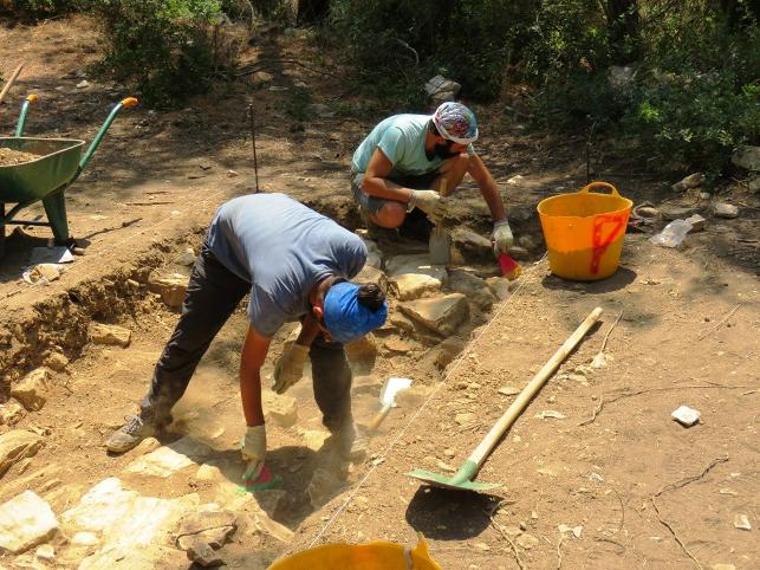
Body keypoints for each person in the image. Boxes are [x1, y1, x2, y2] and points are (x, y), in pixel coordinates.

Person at [106, 193, 388, 484]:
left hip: (276, 233)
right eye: (324, 326)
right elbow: (250, 366)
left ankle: (343, 426)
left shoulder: (352, 253)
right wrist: (256, 430)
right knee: (194, 333)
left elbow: (322, 312)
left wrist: (302, 346)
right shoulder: (277, 291)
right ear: (317, 309)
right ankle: (151, 413)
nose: (324, 334)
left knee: (328, 350)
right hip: (230, 243)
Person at [351, 101, 514, 254]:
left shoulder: (456, 140)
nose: (466, 147)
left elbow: (484, 179)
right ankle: (379, 226)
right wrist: (415, 196)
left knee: (463, 159)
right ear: (441, 139)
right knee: (393, 213)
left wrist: (501, 223)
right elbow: (369, 182)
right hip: (371, 179)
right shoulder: (402, 134)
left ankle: (414, 223)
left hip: (411, 175)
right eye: (461, 145)